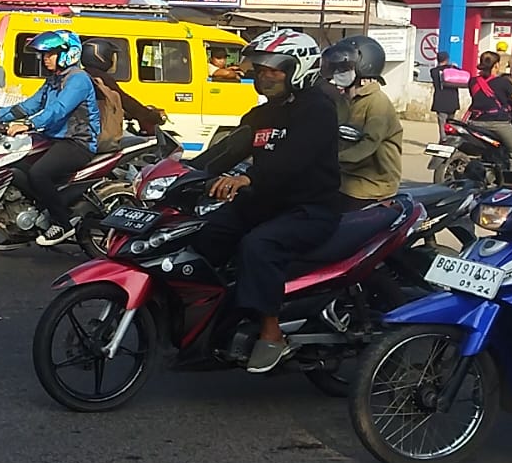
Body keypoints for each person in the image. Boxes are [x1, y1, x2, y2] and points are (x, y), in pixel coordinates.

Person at [190, 29, 340, 373]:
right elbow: (229, 149)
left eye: (275, 69)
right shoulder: (263, 113)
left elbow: (294, 160)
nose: (265, 76)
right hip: (265, 203)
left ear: (298, 69)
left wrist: (248, 178)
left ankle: (272, 334)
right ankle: (216, 315)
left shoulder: (317, 109)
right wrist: (183, 172)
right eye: (260, 69)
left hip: (310, 209)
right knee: (207, 232)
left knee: (259, 246)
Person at [0, 30, 100, 248]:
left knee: (39, 173)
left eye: (50, 54)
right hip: (52, 138)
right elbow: (31, 104)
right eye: (45, 54)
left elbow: (57, 110)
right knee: (15, 167)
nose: (45, 58)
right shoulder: (53, 79)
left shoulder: (78, 80)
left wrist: (28, 125)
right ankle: (27, 227)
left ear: (68, 54)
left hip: (77, 142)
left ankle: (63, 223)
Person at [323, 36, 403, 211]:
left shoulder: (377, 103)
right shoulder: (343, 100)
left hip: (371, 187)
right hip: (345, 182)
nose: (339, 71)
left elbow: (368, 145)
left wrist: (331, 160)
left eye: (345, 67)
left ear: (365, 67)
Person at [81, 38, 164, 149]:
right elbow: (126, 101)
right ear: (100, 56)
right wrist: (149, 115)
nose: (114, 60)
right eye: (111, 56)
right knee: (140, 143)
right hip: (97, 137)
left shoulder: (84, 75)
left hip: (85, 133)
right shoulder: (101, 78)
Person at [466, 50, 512, 173]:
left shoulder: (473, 81)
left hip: (475, 122)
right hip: (497, 124)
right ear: (496, 65)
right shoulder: (503, 83)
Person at [429, 52, 462, 137]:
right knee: (451, 123)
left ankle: (443, 141)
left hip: (440, 101)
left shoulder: (433, 71)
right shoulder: (453, 69)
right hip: (452, 101)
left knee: (442, 123)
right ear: (447, 59)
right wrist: (454, 66)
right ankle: (450, 139)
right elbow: (461, 75)